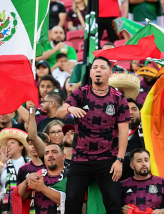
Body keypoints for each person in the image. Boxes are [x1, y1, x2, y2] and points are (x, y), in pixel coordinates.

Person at [56, 56, 131, 214]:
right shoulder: (80, 94)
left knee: (114, 204)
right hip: (80, 159)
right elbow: (59, 112)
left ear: (110, 73)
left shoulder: (119, 99)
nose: (98, 70)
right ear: (90, 73)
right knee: (72, 204)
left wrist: (120, 160)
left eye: (103, 67)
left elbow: (124, 132)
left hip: (108, 160)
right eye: (95, 67)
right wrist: (69, 109)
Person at [121, 149, 164, 214]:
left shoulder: (161, 182)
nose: (144, 164)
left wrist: (162, 211)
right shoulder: (123, 185)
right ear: (132, 165)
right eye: (139, 161)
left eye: (146, 160)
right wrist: (121, 209)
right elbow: (113, 206)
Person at [17, 144, 67, 213]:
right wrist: (26, 181)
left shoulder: (71, 176)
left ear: (63, 156)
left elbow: (72, 201)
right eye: (46, 153)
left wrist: (43, 188)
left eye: (54, 152)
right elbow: (18, 197)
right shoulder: (39, 176)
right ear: (44, 159)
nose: (50, 155)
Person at [0, 128, 30, 213]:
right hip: (4, 205)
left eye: (12, 143)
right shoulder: (2, 163)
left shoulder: (29, 162)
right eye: (7, 144)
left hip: (24, 204)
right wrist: (2, 162)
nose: (8, 146)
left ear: (21, 146)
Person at [121, 98, 145, 181]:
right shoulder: (111, 135)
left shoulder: (147, 133)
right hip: (118, 186)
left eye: (134, 109)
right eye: (126, 109)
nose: (130, 112)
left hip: (142, 185)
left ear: (140, 113)